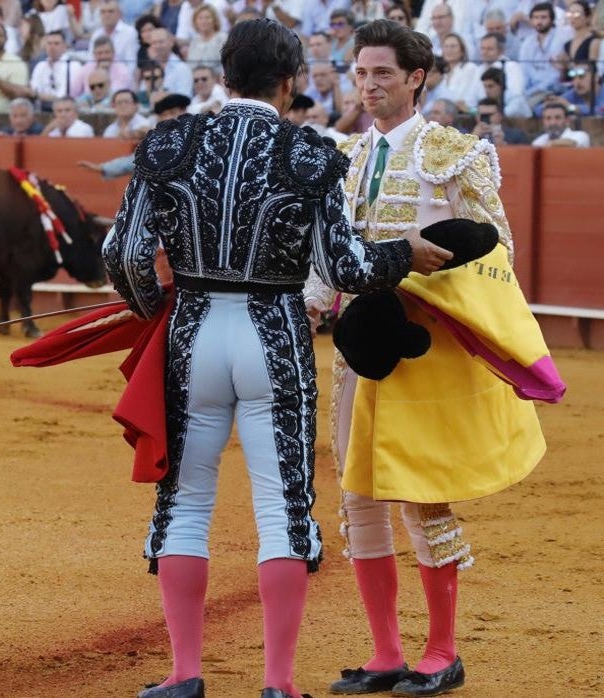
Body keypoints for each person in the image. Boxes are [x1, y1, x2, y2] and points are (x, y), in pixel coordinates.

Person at [103, 18, 452, 698]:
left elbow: (122, 253)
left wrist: (153, 307)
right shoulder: (310, 155)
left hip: (195, 331)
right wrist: (404, 252)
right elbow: (345, 268)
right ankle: (278, 684)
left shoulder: (168, 143)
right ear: (289, 83)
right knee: (281, 507)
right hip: (273, 334)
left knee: (186, 502)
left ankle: (185, 675)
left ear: (223, 74)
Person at [308, 19, 552, 697]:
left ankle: (442, 651)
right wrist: (304, 305)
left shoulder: (453, 154)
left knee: (423, 496)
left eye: (382, 72)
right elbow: (336, 254)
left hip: (425, 352)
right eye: (360, 72)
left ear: (417, 77)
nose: (369, 84)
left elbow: (495, 251)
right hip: (358, 351)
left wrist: (417, 298)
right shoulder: (346, 158)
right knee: (359, 497)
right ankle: (386, 654)